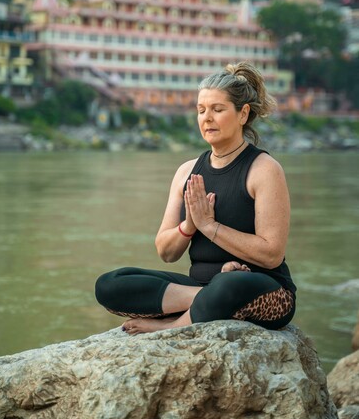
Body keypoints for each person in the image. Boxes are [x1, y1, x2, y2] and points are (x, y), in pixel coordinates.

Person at [95, 62, 296, 335]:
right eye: (201, 110)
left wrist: (210, 227)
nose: (207, 118)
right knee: (111, 283)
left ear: (242, 114)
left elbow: (272, 255)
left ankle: (173, 326)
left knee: (229, 284)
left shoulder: (263, 170)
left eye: (218, 109)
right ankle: (201, 302)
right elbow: (166, 253)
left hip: (262, 291)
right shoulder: (186, 172)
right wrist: (189, 226)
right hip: (202, 289)